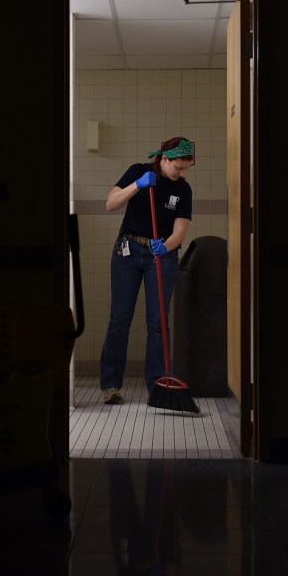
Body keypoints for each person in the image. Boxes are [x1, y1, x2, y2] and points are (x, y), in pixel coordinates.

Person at [100, 137, 194, 405]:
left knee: (158, 323)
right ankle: (110, 385)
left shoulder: (183, 190)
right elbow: (111, 203)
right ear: (164, 159)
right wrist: (137, 185)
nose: (182, 173)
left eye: (186, 169)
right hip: (128, 250)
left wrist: (165, 247)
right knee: (119, 319)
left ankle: (158, 387)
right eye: (179, 167)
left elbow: (180, 231)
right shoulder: (138, 171)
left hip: (161, 255)